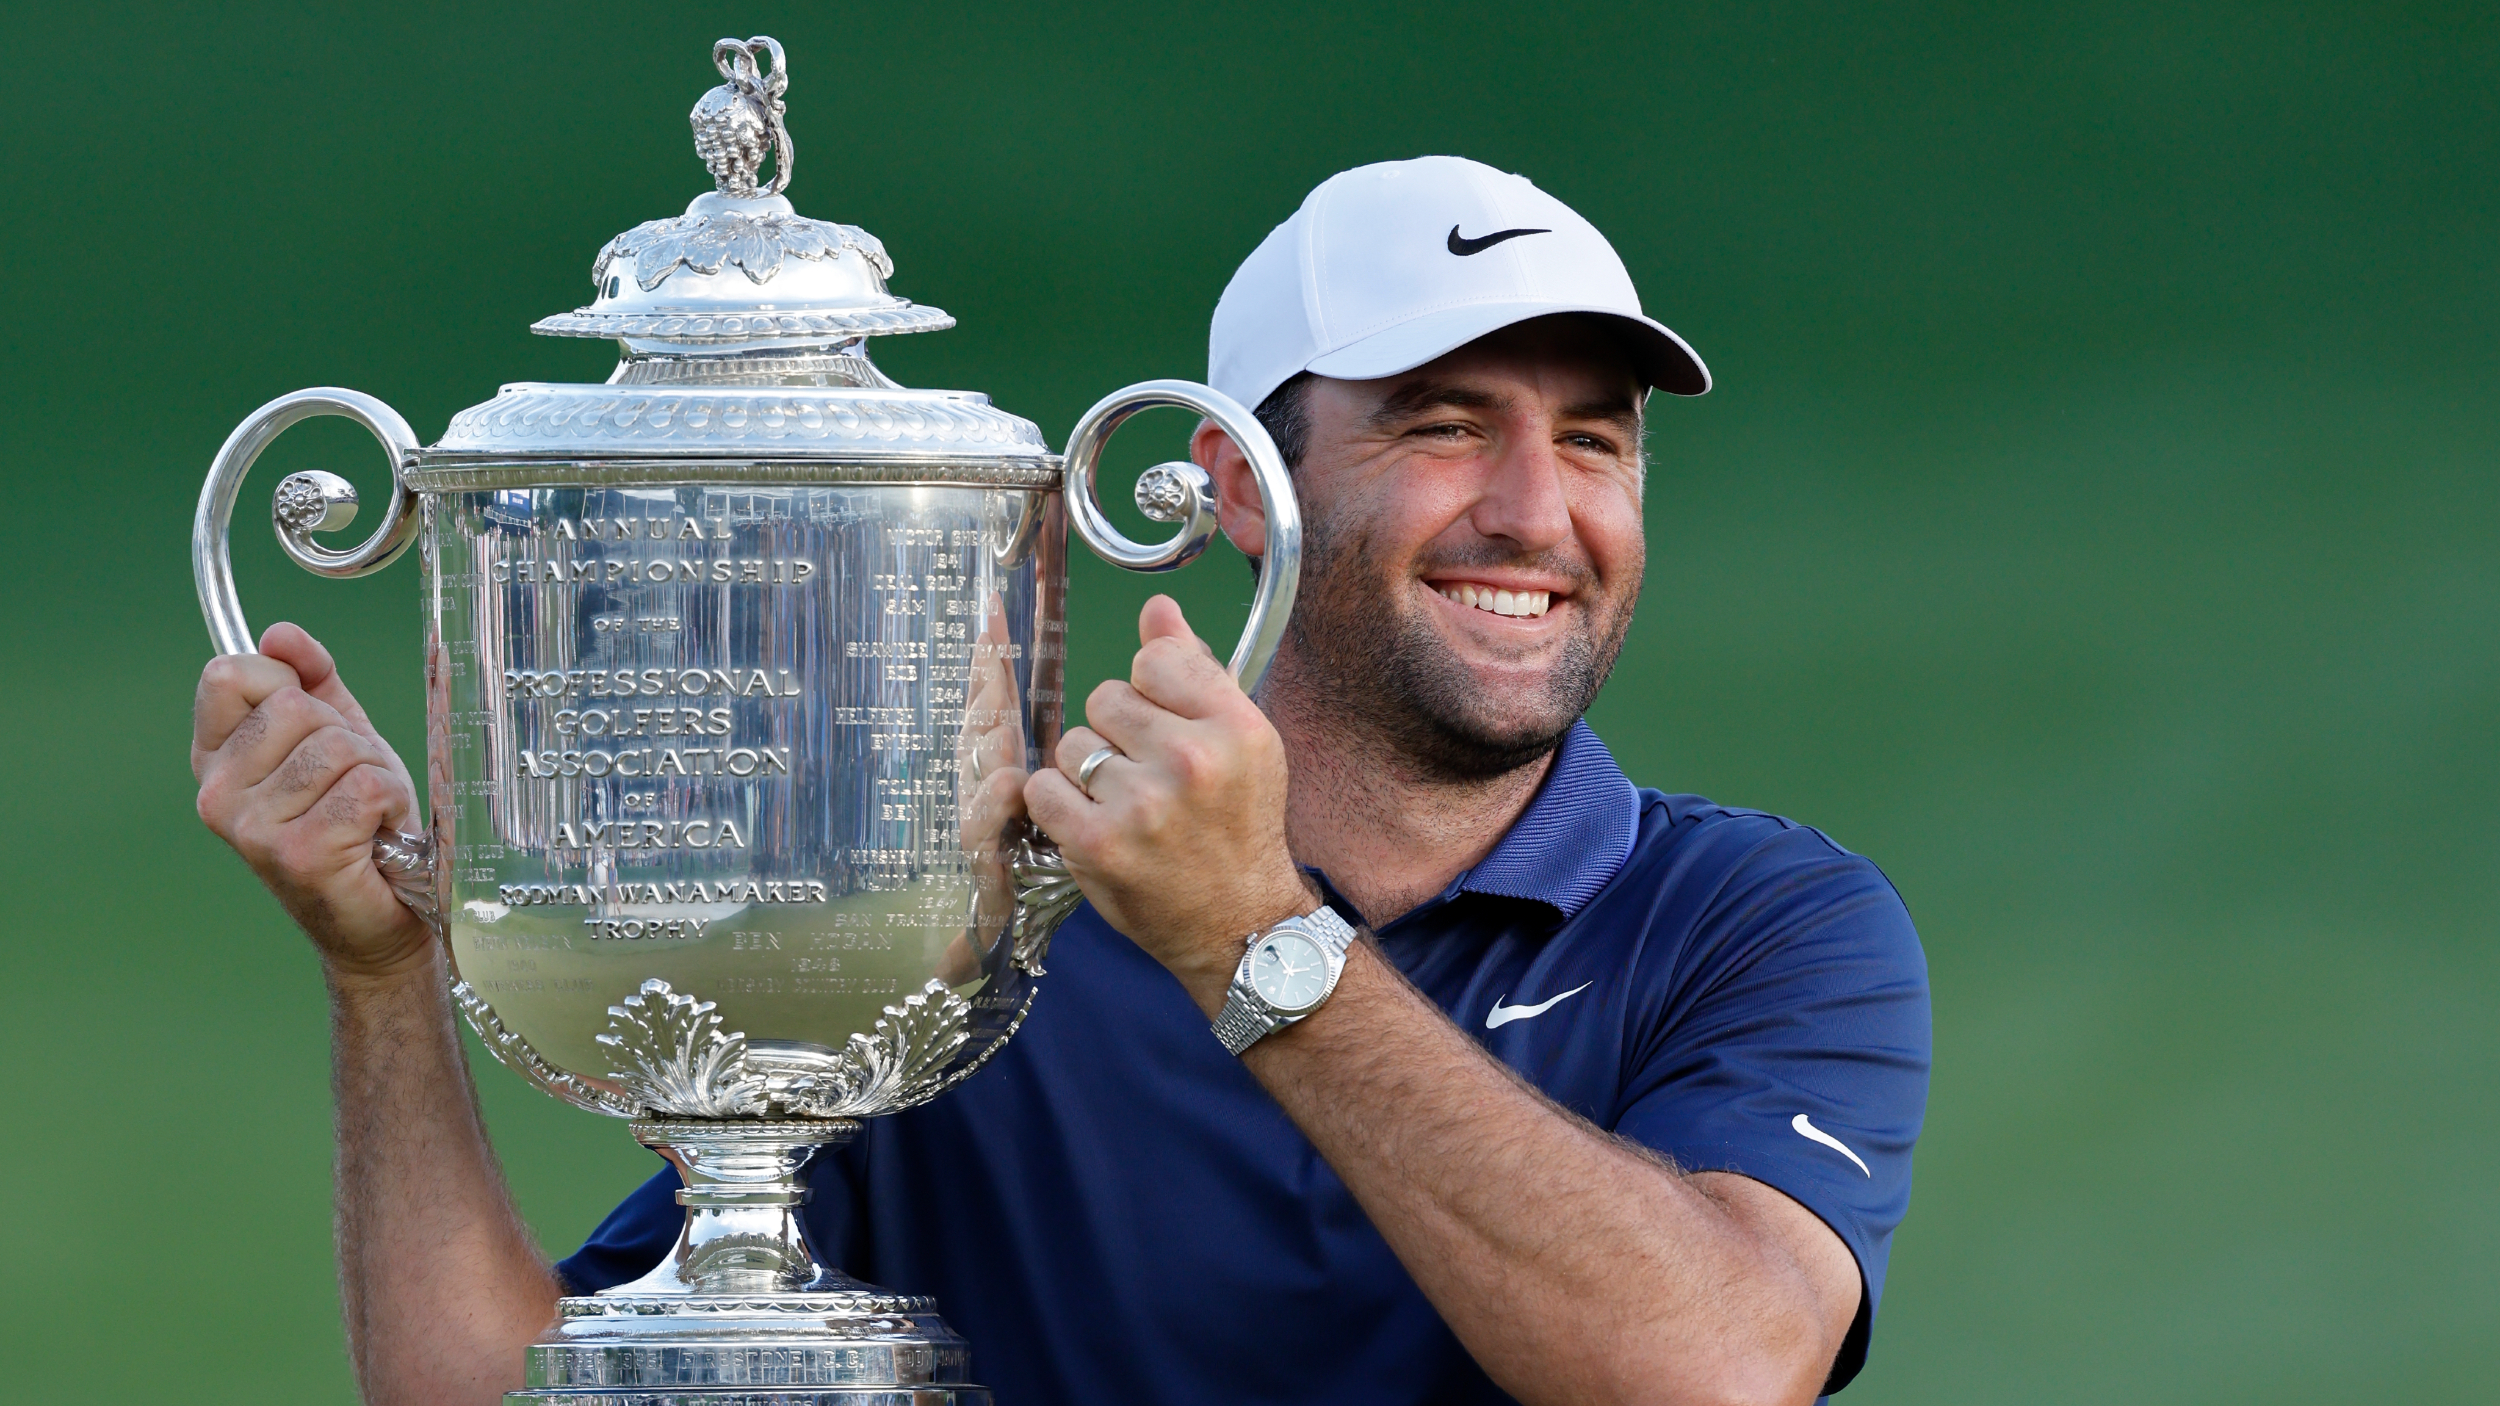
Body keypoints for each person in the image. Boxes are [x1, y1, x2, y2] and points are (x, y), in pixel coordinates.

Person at [191, 156, 1929, 1406]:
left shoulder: (1764, 922)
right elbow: (501, 1389)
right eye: (1446, 422)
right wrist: (384, 977)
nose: (1540, 512)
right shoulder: (975, 929)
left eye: (1597, 441)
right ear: (1235, 487)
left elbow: (1709, 1367)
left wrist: (1248, 938)